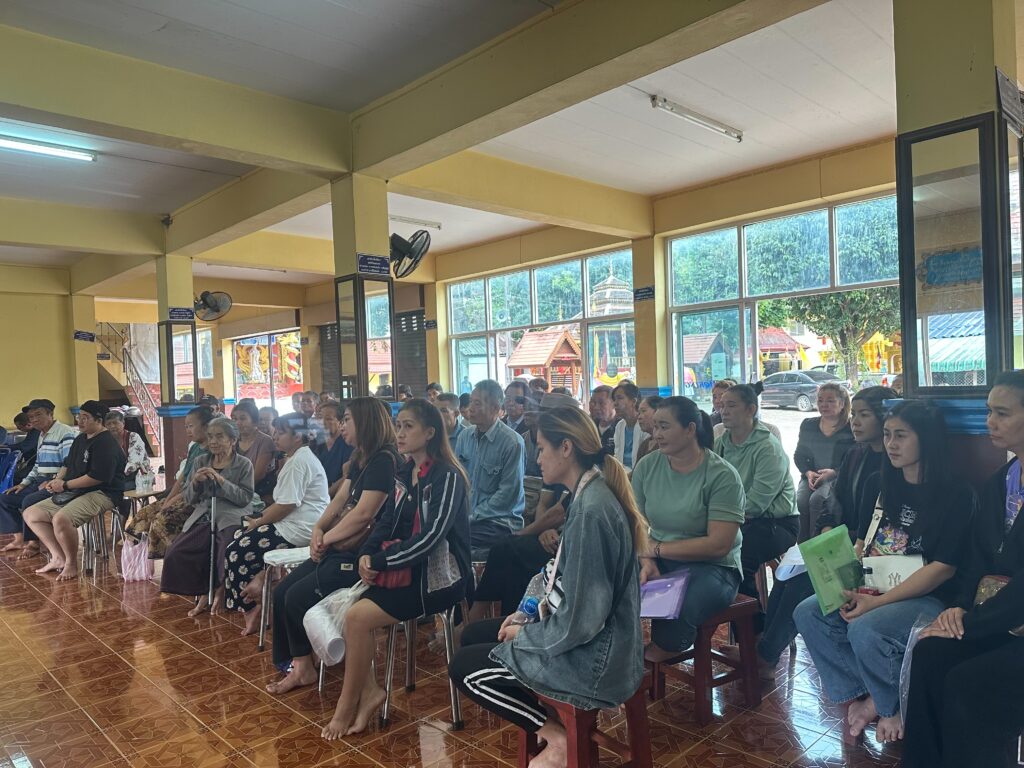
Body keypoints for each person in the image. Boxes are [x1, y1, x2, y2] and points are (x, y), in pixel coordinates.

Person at [449, 405, 645, 767]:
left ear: (566, 448)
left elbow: (581, 621)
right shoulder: (586, 493)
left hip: (596, 659)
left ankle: (558, 739)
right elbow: (557, 576)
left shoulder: (592, 510)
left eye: (541, 449)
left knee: (465, 668)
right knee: (475, 635)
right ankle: (552, 727)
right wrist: (524, 615)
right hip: (589, 638)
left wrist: (525, 636)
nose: (537, 458)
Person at [794, 400, 976, 743]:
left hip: (928, 596)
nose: (891, 444)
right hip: (874, 583)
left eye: (901, 436)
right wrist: (845, 584)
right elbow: (863, 543)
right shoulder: (878, 482)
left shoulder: (957, 494)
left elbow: (942, 570)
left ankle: (888, 705)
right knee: (809, 613)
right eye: (888, 434)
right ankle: (867, 693)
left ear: (928, 440)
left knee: (866, 629)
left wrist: (876, 603)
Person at [720, 386, 896, 679]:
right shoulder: (856, 455)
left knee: (804, 579)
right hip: (842, 539)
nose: (855, 422)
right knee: (786, 573)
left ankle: (765, 656)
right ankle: (763, 646)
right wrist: (827, 530)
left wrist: (845, 543)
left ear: (884, 418)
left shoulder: (893, 463)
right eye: (854, 414)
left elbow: (882, 525)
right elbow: (834, 500)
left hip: (872, 551)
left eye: (864, 415)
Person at [322, 399, 473, 738]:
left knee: (357, 618)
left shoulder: (448, 476)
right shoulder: (405, 472)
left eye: (408, 426)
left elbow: (431, 538)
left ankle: (348, 704)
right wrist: (367, 553)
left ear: (430, 433)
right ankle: (369, 692)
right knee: (349, 611)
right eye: (398, 425)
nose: (400, 433)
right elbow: (387, 520)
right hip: (405, 568)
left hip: (438, 578)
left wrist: (381, 561)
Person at [903, 372, 1024, 767]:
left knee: (968, 683)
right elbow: (976, 559)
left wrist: (971, 624)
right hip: (995, 619)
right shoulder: (1001, 481)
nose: (991, 422)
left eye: (1002, 413)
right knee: (930, 653)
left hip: (1012, 622)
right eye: (989, 411)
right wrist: (958, 608)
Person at [266, 397, 400, 696]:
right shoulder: (362, 456)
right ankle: (301, 661)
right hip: (339, 544)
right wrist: (319, 529)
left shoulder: (384, 460)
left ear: (365, 422)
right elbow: (340, 499)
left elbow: (364, 514)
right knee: (282, 591)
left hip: (361, 554)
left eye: (347, 419)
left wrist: (325, 539)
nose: (341, 425)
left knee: (297, 597)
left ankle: (304, 666)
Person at [632, 396, 745, 660]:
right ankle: (613, 649)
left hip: (713, 567)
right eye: (655, 427)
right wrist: (647, 560)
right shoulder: (648, 466)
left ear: (690, 429)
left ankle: (665, 648)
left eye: (664, 427)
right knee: (609, 580)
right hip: (658, 557)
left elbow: (718, 545)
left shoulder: (722, 475)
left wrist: (656, 549)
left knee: (681, 601)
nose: (656, 434)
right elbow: (635, 523)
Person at [466, 392, 579, 624]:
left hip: (566, 546)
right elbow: (546, 504)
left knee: (507, 547)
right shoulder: (555, 456)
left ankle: (478, 620)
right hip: (552, 535)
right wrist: (542, 530)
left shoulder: (581, 462)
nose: (538, 458)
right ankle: (506, 623)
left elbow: (560, 512)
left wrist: (526, 532)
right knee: (511, 556)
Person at [224, 413, 328, 635]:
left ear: (297, 436)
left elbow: (286, 506)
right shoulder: (297, 457)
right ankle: (263, 581)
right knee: (239, 535)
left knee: (235, 552)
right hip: (293, 523)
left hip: (299, 529)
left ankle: (252, 607)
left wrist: (258, 521)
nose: (275, 437)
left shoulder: (299, 462)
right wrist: (257, 520)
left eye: (280, 433)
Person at [715, 384, 799, 630]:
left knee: (737, 557)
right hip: (734, 519)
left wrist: (719, 521)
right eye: (722, 405)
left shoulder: (768, 447)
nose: (723, 411)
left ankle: (754, 634)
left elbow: (756, 504)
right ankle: (720, 626)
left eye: (731, 405)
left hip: (775, 523)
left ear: (751, 409)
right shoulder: (721, 444)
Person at [160, 417, 255, 616]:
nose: (213, 441)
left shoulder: (243, 464)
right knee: (177, 551)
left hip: (231, 515)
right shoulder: (200, 461)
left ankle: (220, 590)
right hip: (204, 514)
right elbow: (189, 498)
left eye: (219, 437)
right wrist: (195, 482)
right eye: (210, 436)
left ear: (232, 440)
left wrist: (221, 481)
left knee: (224, 548)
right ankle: (203, 590)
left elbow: (245, 498)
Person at [24, 401, 125, 581]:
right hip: (76, 490)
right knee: (31, 514)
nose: (80, 421)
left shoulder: (106, 443)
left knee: (61, 519)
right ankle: (58, 557)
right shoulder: (81, 438)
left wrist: (65, 485)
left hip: (102, 493)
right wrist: (57, 480)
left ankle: (71, 563)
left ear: (99, 420)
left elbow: (97, 478)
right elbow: (67, 464)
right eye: (79, 416)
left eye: (85, 417)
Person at [127, 406, 214, 557]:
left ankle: (177, 555)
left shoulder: (211, 451)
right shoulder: (194, 447)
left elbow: (195, 487)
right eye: (186, 426)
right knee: (144, 514)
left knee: (160, 521)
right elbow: (182, 477)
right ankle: (142, 557)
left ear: (206, 426)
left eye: (191, 426)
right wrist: (168, 499)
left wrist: (172, 501)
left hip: (195, 499)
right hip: (181, 495)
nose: (188, 430)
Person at [455, 380, 526, 559]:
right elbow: (457, 479)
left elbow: (507, 495)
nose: (470, 408)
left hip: (499, 521)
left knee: (457, 539)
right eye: (471, 402)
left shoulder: (512, 442)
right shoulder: (465, 436)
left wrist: (472, 515)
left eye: (477, 403)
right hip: (469, 517)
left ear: (495, 408)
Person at [0, 399, 77, 557]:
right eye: (31, 417)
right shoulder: (42, 434)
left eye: (38, 415)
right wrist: (23, 484)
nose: (34, 419)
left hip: (57, 482)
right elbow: (37, 465)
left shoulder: (64, 432)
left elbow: (69, 464)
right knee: (5, 498)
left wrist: (53, 480)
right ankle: (19, 539)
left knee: (28, 501)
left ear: (50, 414)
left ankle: (33, 543)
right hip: (39, 480)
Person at [794, 383, 854, 542]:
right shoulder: (808, 424)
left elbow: (854, 460)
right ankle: (802, 547)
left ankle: (817, 546)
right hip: (811, 477)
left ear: (842, 403)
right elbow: (799, 455)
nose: (824, 405)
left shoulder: (851, 427)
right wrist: (808, 472)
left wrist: (834, 473)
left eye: (830, 401)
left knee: (818, 500)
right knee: (800, 501)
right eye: (820, 400)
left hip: (838, 478)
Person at [230, 400, 275, 496]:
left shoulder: (265, 441)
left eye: (242, 419)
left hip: (257, 491)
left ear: (255, 421)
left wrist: (235, 492)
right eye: (234, 419)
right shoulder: (232, 440)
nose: (237, 423)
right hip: (234, 489)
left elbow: (258, 475)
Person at [314, 401, 353, 497]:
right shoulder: (317, 443)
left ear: (341, 422)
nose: (322, 423)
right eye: (320, 418)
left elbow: (346, 477)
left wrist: (325, 495)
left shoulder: (348, 444)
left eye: (328, 419)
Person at [103, 410, 152, 483]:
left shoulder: (133, 437)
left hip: (136, 476)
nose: (112, 426)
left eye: (115, 423)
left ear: (123, 423)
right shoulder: (105, 440)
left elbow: (135, 462)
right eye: (108, 424)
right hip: (116, 476)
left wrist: (116, 475)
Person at [612, 381, 648, 471]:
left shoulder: (645, 425)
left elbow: (645, 459)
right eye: (614, 399)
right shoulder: (620, 426)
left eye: (620, 398)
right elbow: (617, 455)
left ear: (633, 401)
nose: (615, 403)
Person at [588, 385, 616, 454]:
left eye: (601, 403)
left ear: (613, 404)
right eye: (593, 403)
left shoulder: (621, 427)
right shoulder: (588, 426)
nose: (596, 407)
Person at [635, 395, 662, 462]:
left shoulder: (667, 444)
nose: (639, 417)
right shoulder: (644, 445)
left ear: (658, 411)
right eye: (639, 413)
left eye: (643, 411)